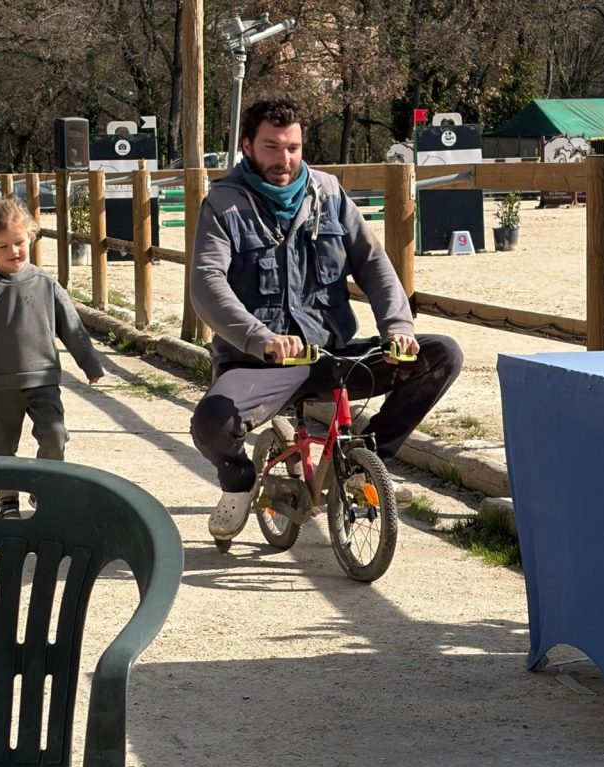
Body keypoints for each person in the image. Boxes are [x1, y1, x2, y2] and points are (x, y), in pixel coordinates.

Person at [190, 96, 464, 542]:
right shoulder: (224, 204)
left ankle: (362, 462)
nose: (285, 159)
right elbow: (206, 284)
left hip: (332, 355)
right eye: (272, 147)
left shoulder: (329, 194)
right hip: (263, 364)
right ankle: (239, 482)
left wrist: (398, 326)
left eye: (293, 147)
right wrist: (261, 338)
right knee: (210, 424)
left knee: (442, 355)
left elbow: (373, 263)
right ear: (247, 146)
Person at [0, 197, 104, 518]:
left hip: (44, 381)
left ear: (31, 238)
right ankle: (6, 498)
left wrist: (90, 363)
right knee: (2, 448)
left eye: (19, 242)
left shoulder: (45, 283)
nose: (13, 251)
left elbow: (72, 326)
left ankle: (46, 488)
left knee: (55, 436)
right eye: (3, 246)